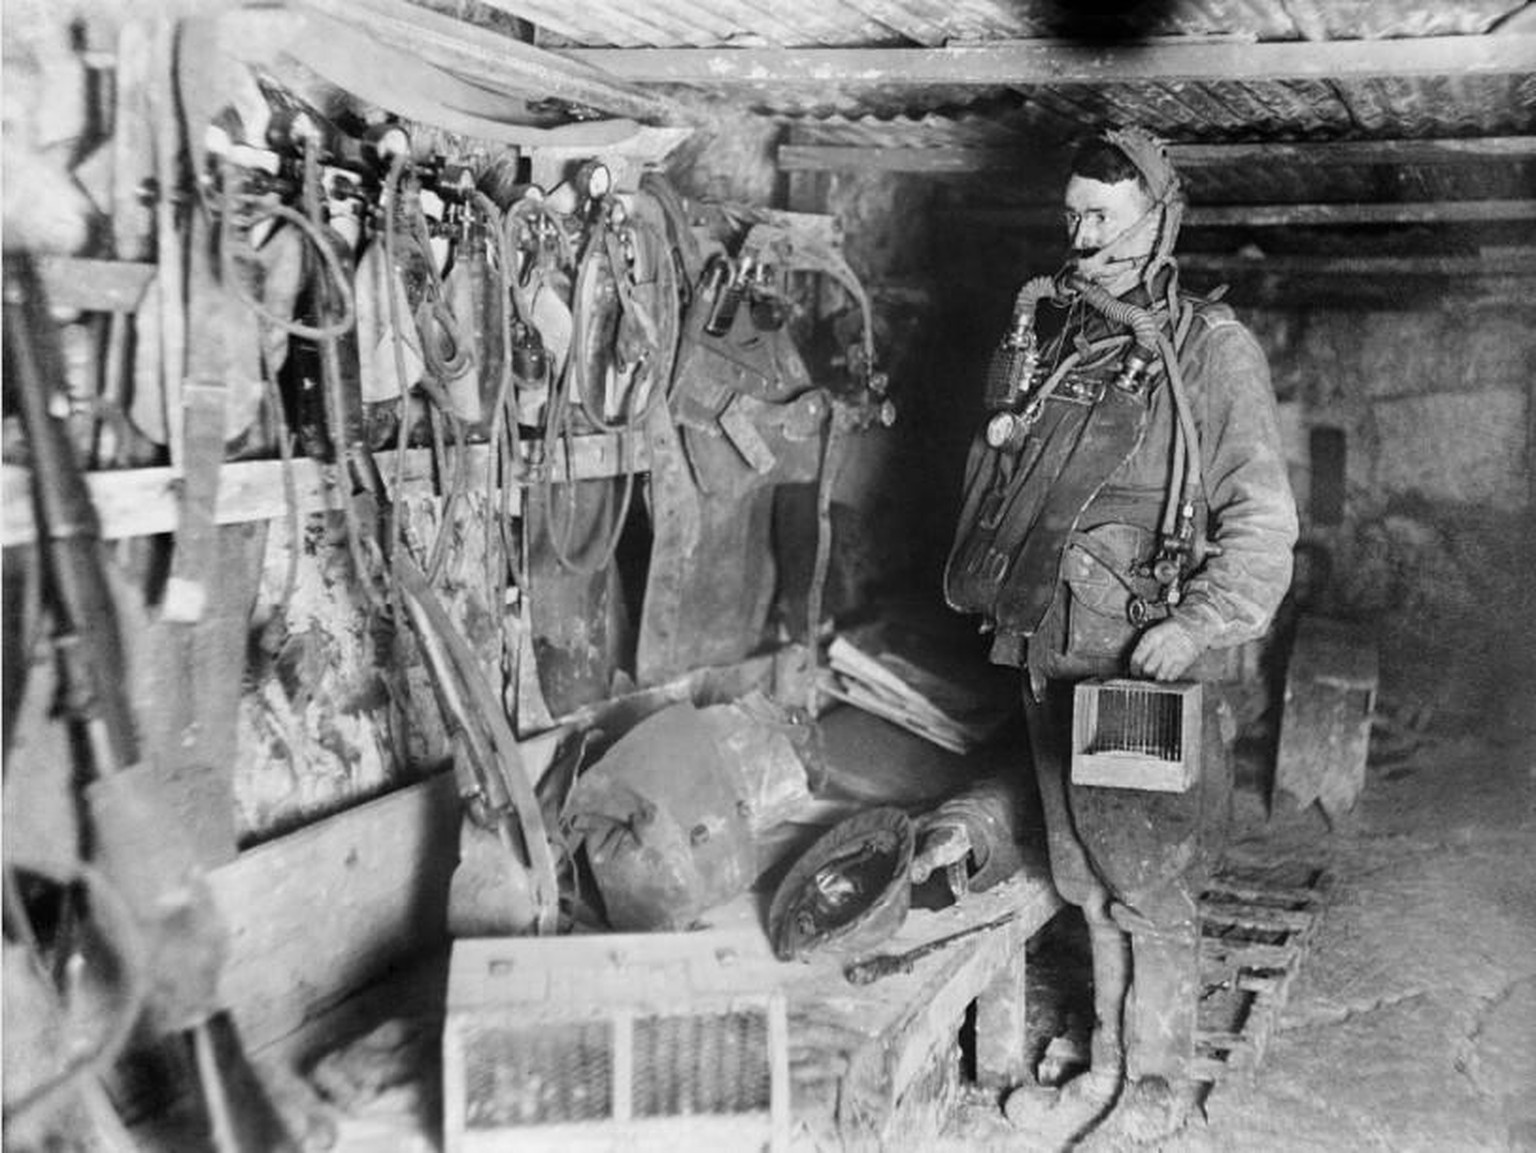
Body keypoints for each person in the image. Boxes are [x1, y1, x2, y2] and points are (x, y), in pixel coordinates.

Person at [923, 125, 1299, 1146]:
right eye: (1074, 215)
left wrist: (1201, 622)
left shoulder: (1213, 352)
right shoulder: (1066, 344)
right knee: (1088, 880)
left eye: (1104, 217)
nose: (1082, 236)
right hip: (1051, 651)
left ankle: (1160, 1083)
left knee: (1150, 884)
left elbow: (1263, 521)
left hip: (1137, 662)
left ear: (1159, 220)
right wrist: (996, 435)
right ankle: (1106, 1070)